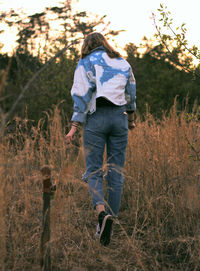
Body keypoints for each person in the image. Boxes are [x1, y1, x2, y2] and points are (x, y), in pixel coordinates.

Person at [66, 32, 136, 246]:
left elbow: (81, 93)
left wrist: (74, 125)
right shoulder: (122, 62)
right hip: (119, 118)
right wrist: (131, 118)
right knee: (116, 171)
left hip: (96, 118)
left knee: (94, 170)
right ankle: (109, 224)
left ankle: (101, 214)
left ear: (87, 45)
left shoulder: (86, 62)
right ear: (105, 43)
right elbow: (131, 91)